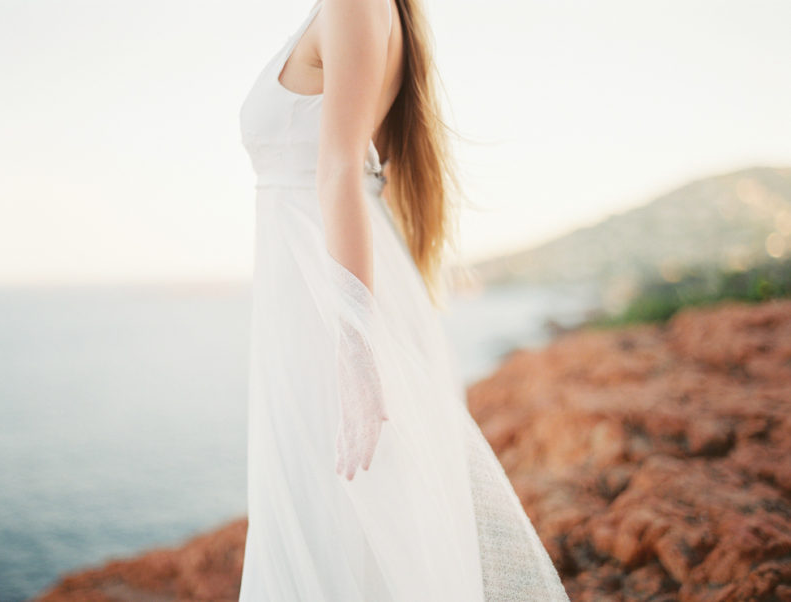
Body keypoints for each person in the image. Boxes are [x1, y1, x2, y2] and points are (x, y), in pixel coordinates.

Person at [238, 0, 571, 599]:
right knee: (343, 519)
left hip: (329, 304)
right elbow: (367, 169)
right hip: (328, 295)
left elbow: (342, 168)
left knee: (335, 516)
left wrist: (356, 347)